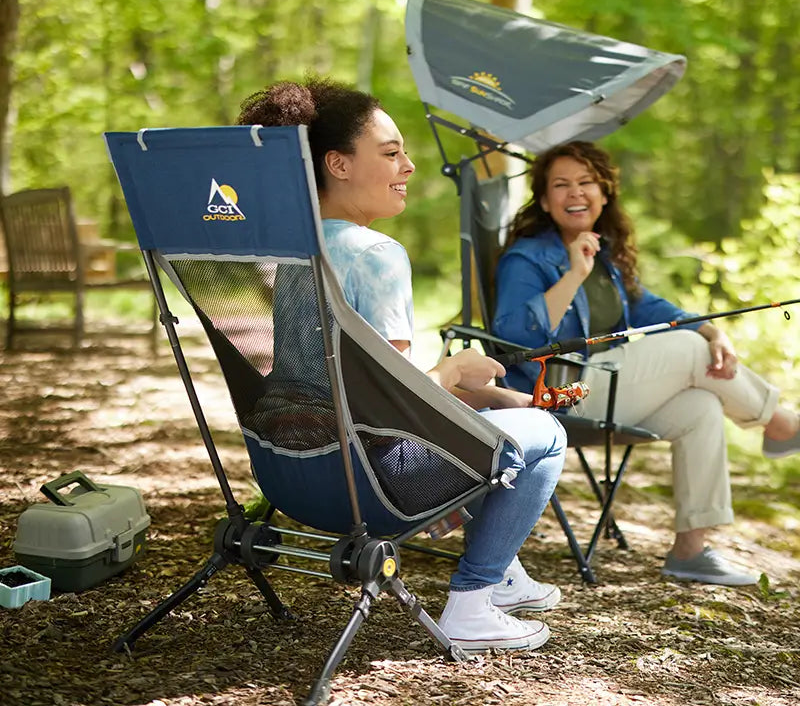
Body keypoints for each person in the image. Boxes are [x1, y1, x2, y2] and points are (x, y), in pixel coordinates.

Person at [236, 76, 567, 655]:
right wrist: (458, 369)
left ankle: (504, 567)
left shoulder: (296, 253)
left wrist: (478, 395)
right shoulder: (376, 254)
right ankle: (473, 598)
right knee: (545, 433)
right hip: (370, 487)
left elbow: (340, 383)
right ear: (337, 164)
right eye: (390, 153)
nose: (409, 166)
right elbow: (400, 406)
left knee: (497, 422)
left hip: (292, 476)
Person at [492, 140, 800, 587]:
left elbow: (650, 308)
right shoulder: (527, 257)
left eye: (585, 182)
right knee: (690, 351)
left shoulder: (605, 253)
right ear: (544, 200)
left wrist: (712, 330)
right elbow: (516, 337)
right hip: (559, 397)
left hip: (607, 388)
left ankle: (690, 551)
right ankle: (781, 423)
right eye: (560, 185)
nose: (574, 193)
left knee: (700, 407)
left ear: (604, 193)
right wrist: (572, 274)